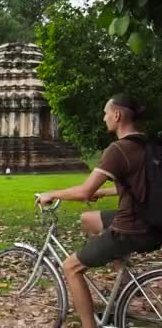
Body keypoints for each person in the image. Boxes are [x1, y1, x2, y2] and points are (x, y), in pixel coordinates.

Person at [38, 93, 162, 328]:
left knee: (71, 267)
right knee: (88, 220)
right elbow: (142, 184)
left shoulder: (119, 150)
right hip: (153, 222)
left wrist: (52, 194)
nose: (104, 118)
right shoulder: (151, 144)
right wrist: (103, 192)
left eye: (106, 113)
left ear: (117, 115)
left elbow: (84, 191)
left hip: (131, 228)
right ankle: (122, 275)